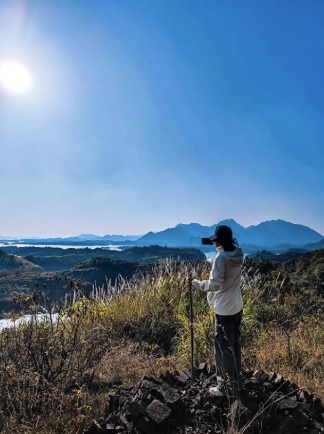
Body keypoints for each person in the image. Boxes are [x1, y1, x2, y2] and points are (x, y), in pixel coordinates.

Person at [191, 225, 244, 397]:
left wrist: (197, 283)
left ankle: (225, 387)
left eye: (215, 241)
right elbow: (229, 247)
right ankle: (237, 380)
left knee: (223, 347)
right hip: (237, 306)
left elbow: (214, 285)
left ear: (218, 241)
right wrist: (218, 242)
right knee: (234, 344)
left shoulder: (221, 259)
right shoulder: (239, 253)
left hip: (223, 309)